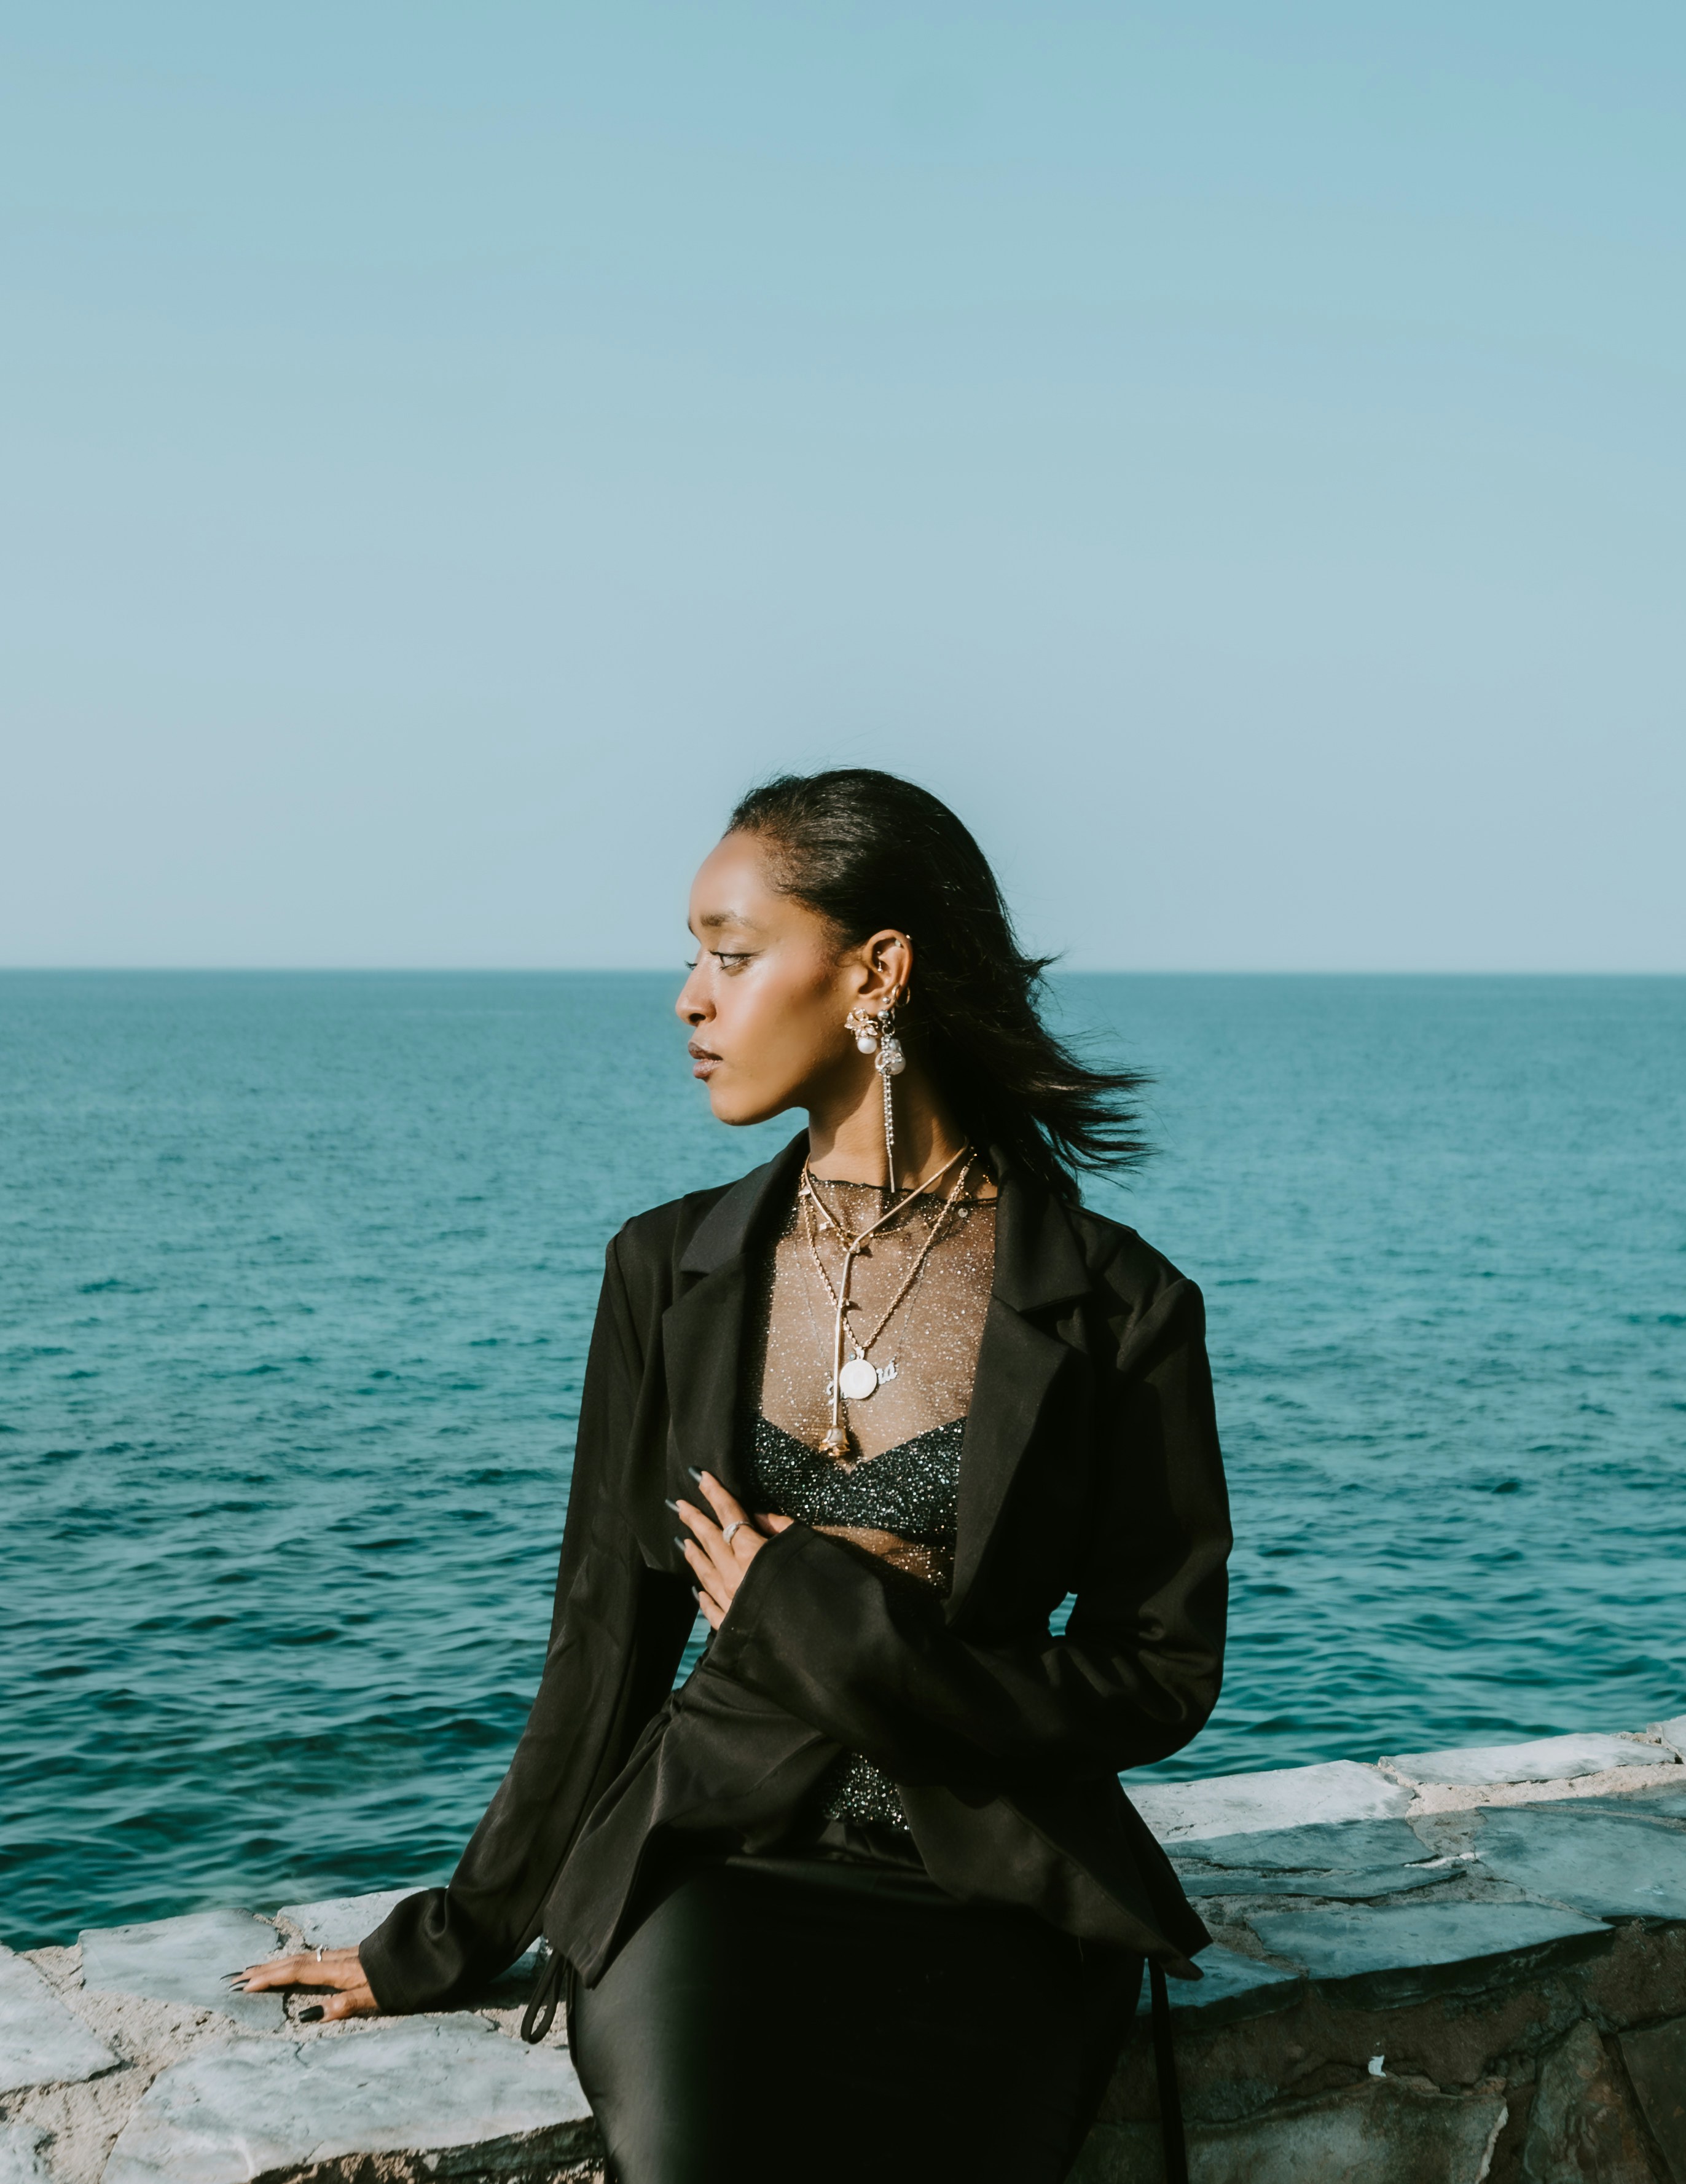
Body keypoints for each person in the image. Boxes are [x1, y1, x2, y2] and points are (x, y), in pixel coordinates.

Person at [242, 769, 1232, 2183]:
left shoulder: (1122, 1305)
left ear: (874, 969)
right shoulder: (667, 1272)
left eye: (730, 949)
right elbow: (605, 1646)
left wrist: (840, 1626)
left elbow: (1160, 1674)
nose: (689, 998)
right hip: (708, 1874)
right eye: (695, 954)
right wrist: (451, 1936)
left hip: (997, 1896)